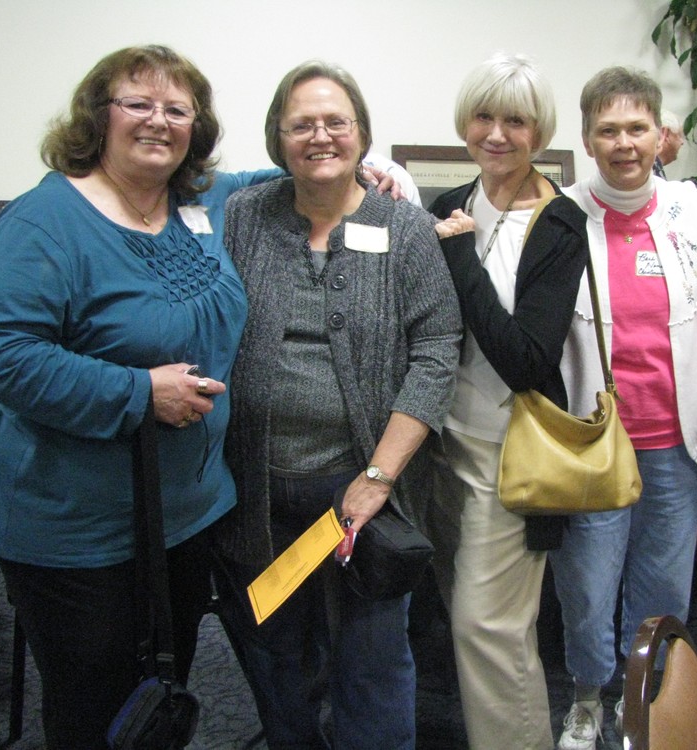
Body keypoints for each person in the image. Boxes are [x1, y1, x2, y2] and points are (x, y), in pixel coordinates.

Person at [0, 45, 282, 749]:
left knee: (160, 699)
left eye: (177, 109)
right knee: (96, 709)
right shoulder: (45, 221)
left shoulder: (199, 198)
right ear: (98, 115)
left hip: (186, 514)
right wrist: (138, 393)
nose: (158, 121)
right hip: (74, 528)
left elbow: (276, 174)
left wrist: (365, 170)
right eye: (138, 103)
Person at [212, 60, 461, 750]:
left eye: (335, 122)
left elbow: (437, 349)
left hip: (361, 488)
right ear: (278, 138)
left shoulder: (405, 228)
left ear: (361, 134)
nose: (320, 136)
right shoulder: (243, 217)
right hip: (256, 488)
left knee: (371, 661)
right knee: (275, 658)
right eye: (302, 125)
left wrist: (378, 477)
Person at [548, 67, 697, 749]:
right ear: (587, 138)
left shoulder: (695, 213)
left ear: (659, 134)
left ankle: (642, 700)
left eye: (637, 128)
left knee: (663, 588)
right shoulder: (560, 216)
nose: (624, 143)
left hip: (675, 441)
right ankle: (587, 697)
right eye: (609, 130)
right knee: (588, 589)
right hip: (594, 446)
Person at [426, 53, 588, 750]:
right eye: (484, 116)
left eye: (515, 121)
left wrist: (460, 260)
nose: (496, 134)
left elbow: (525, 360)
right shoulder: (448, 205)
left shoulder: (559, 224)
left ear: (539, 132)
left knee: (487, 627)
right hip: (441, 445)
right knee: (459, 613)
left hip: (511, 456)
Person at [651, 109, 684, 178]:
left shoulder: (651, 168)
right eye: (679, 135)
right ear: (665, 133)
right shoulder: (650, 171)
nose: (682, 142)